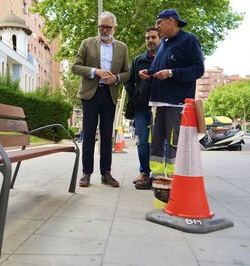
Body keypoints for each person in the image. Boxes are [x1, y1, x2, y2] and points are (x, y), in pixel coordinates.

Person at [138, 9, 204, 189]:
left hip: (177, 104)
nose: (157, 27)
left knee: (175, 144)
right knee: (156, 143)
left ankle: (177, 181)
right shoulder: (164, 43)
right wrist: (148, 72)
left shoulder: (189, 40)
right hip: (157, 103)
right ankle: (158, 179)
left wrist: (171, 73)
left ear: (171, 21)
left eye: (159, 23)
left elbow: (198, 70)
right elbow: (157, 66)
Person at [72, 11, 130, 187]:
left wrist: (117, 78)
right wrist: (94, 71)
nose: (104, 30)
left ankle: (106, 173)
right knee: (88, 134)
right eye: (101, 26)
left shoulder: (122, 48)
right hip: (91, 93)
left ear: (114, 28)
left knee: (107, 135)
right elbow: (75, 67)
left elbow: (127, 72)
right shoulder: (87, 43)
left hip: (109, 94)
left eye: (108, 27)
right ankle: (86, 173)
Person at [124, 26, 160, 189]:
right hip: (141, 108)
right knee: (143, 142)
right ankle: (144, 172)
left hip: (162, 106)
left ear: (160, 38)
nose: (150, 40)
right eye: (147, 38)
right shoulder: (138, 60)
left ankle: (160, 174)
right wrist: (134, 94)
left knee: (161, 142)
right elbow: (128, 80)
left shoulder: (164, 58)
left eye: (153, 37)